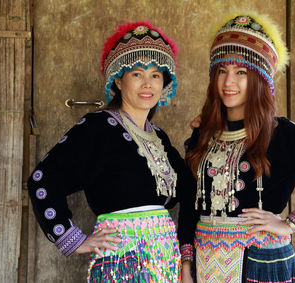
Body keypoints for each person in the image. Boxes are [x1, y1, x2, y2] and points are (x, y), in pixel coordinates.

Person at [182, 12, 295, 283]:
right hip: (207, 263)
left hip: (264, 263)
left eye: (241, 72)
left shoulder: (282, 133)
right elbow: (189, 201)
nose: (229, 83)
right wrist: (186, 260)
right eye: (222, 72)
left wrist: (291, 224)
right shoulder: (202, 134)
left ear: (261, 80)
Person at [27, 21, 196, 282]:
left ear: (164, 83)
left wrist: (186, 256)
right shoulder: (98, 127)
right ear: (118, 80)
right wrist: (73, 239)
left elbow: (190, 190)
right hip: (121, 261)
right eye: (137, 74)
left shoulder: (159, 137)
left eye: (155, 75)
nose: (147, 84)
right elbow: (42, 180)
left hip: (164, 261)